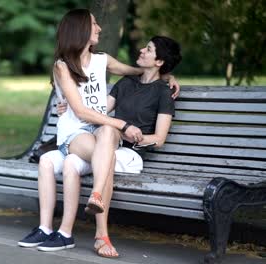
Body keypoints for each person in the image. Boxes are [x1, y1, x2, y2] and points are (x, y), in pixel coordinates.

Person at [17, 8, 181, 256]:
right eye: (94, 24)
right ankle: (101, 234)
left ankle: (61, 232)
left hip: (95, 135)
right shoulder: (63, 66)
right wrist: (122, 125)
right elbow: (83, 112)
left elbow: (135, 71)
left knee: (74, 159)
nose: (100, 28)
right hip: (76, 134)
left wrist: (166, 74)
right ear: (81, 29)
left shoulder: (102, 60)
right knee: (105, 155)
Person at [52, 35, 182, 258]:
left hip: (132, 153)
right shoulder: (126, 83)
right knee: (96, 145)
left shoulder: (163, 92)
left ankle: (92, 228)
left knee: (104, 147)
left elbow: (159, 138)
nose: (141, 50)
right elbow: (99, 114)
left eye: (148, 49)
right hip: (110, 145)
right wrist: (70, 108)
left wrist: (135, 136)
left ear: (159, 62)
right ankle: (97, 230)